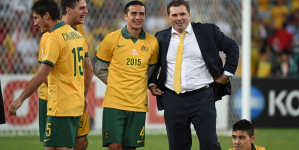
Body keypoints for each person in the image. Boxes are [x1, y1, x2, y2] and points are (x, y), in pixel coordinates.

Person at [149, 1, 239, 150]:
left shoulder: (207, 31)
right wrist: (152, 83)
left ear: (189, 14)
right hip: (173, 99)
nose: (179, 18)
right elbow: (152, 64)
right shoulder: (161, 37)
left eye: (182, 14)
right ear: (169, 17)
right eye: (175, 15)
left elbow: (232, 47)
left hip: (202, 97)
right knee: (178, 147)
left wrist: (227, 73)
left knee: (210, 144)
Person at [8, 0, 90, 149]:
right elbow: (87, 69)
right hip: (74, 102)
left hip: (61, 104)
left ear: (46, 16)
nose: (34, 23)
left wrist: (20, 99)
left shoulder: (52, 37)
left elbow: (42, 75)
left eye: (36, 18)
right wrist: (83, 95)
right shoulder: (76, 35)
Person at [93, 1, 159, 150]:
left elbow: (151, 70)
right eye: (133, 13)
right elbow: (98, 68)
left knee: (131, 147)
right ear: (125, 16)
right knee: (114, 146)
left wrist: (144, 83)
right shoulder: (111, 38)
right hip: (114, 103)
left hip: (138, 105)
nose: (138, 17)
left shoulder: (152, 42)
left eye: (141, 14)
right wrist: (116, 83)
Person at [60, 0, 93, 150]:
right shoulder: (54, 32)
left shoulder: (80, 30)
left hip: (77, 96)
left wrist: (83, 95)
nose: (86, 11)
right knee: (60, 143)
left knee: (82, 140)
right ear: (68, 10)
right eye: (82, 8)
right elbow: (46, 72)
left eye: (86, 8)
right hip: (58, 99)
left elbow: (88, 68)